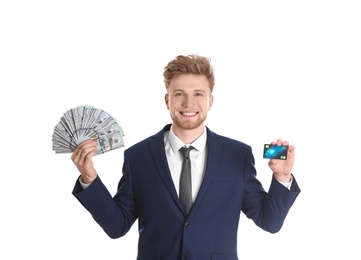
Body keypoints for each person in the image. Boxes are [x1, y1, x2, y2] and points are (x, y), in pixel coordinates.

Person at [71, 54, 301, 259]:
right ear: (167, 100)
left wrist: (282, 177)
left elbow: (269, 222)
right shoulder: (138, 157)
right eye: (179, 94)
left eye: (198, 94)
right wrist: (89, 178)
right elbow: (116, 226)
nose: (188, 103)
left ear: (210, 101)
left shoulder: (238, 155)